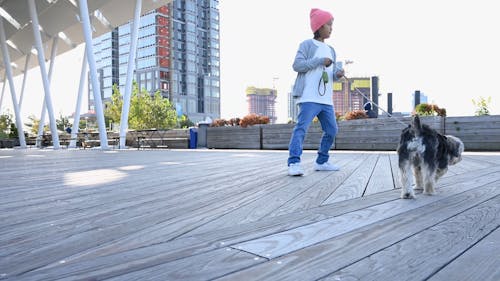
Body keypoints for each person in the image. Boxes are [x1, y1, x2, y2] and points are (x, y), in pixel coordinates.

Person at [287, 8, 344, 176]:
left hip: (326, 100)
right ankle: (294, 163)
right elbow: (297, 65)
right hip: (308, 97)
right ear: (319, 26)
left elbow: (330, 76)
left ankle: (322, 161)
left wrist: (337, 75)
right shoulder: (307, 45)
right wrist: (319, 61)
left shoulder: (332, 50)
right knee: (301, 129)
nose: (331, 28)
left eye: (332, 25)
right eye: (329, 24)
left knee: (332, 130)